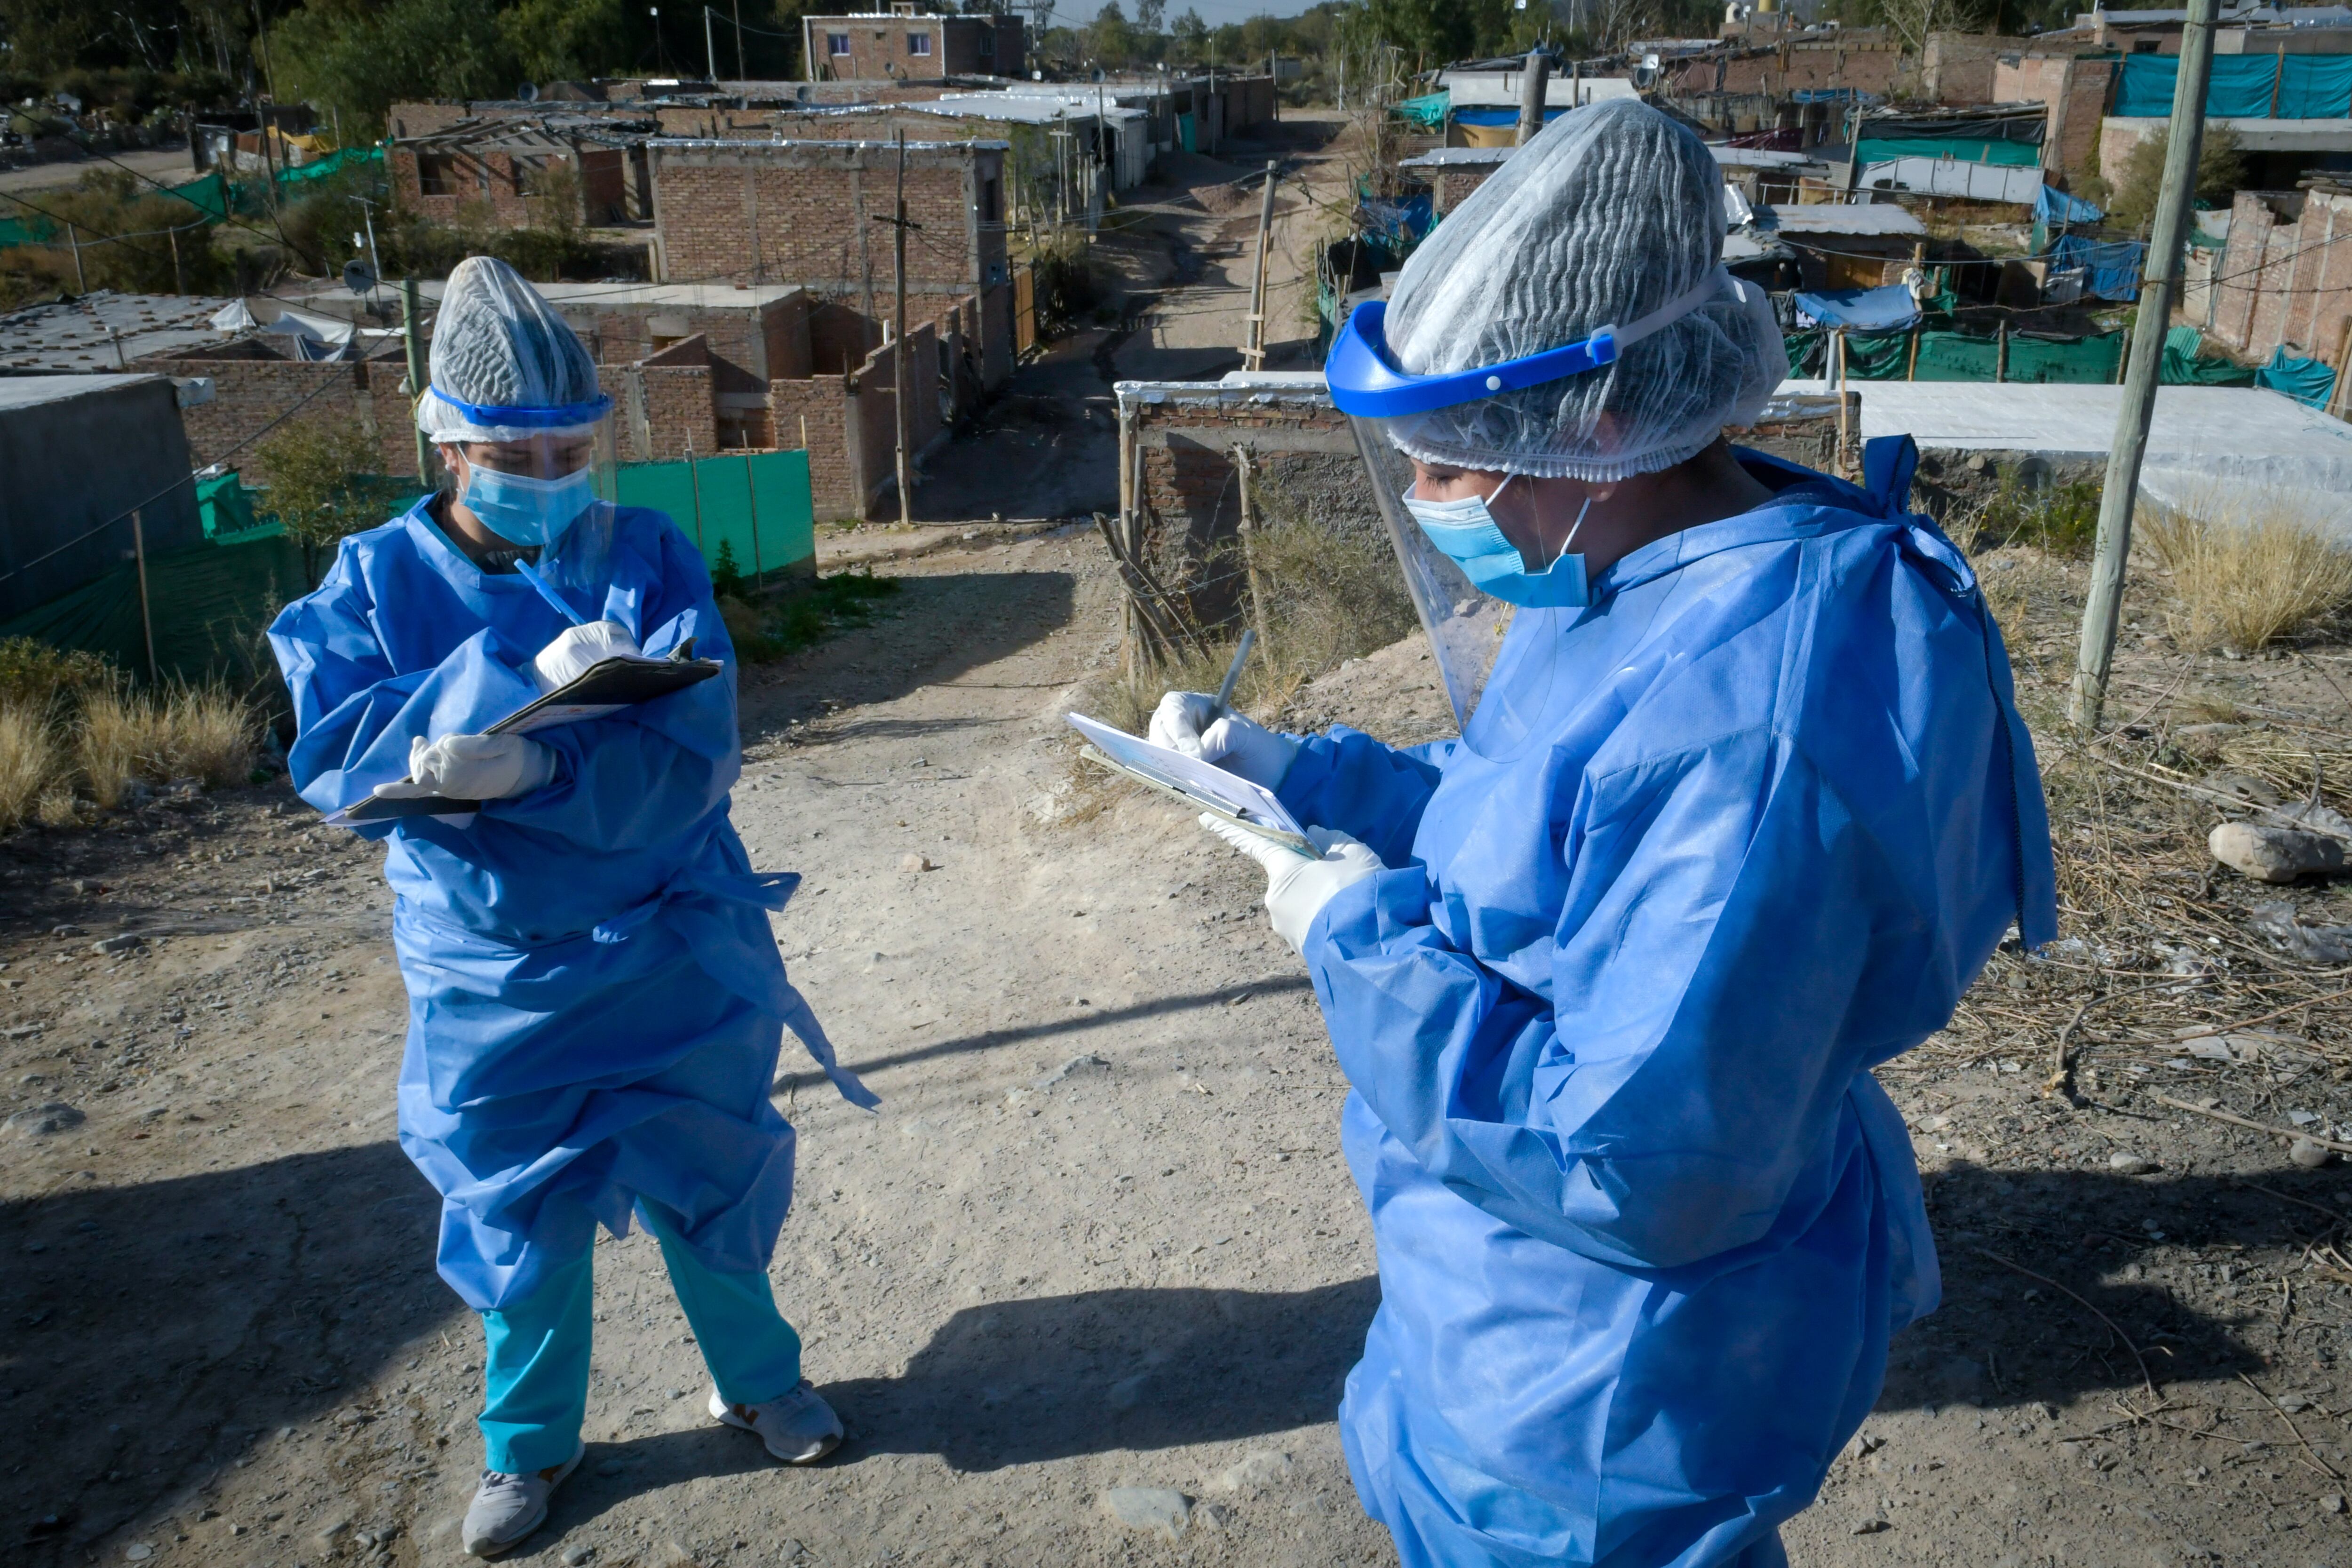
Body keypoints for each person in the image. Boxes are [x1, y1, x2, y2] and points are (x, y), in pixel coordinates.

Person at [1153, 100, 2054, 1568]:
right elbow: (1536, 802)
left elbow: (1635, 1162)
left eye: (1453, 458)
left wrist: (1355, 938)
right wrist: (1313, 782)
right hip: (1510, 1310)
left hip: (1604, 1384)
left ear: (1604, 419)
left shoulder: (1749, 721)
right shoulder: (1638, 568)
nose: (1432, 498)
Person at [267, 257, 876, 1560]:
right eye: (512, 450)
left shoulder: (645, 553)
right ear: (445, 443)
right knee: (520, 1232)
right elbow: (334, 748)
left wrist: (542, 764)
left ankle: (758, 1382)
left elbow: (691, 749)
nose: (544, 476)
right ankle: (529, 1450)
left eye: (568, 447)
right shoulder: (371, 584)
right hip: (496, 978)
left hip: (666, 943)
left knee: (712, 1185)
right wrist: (464, 719)